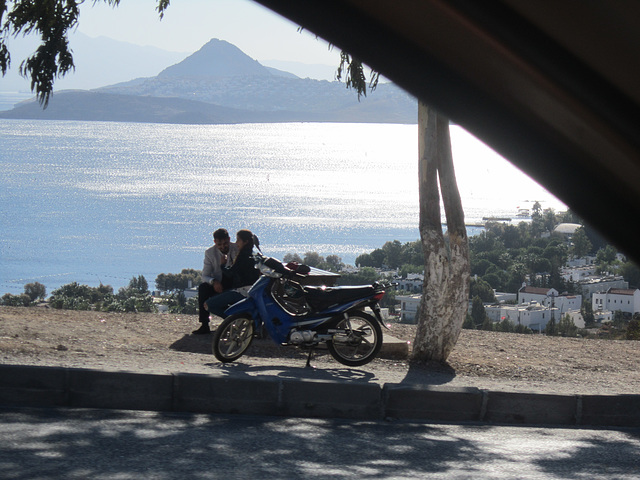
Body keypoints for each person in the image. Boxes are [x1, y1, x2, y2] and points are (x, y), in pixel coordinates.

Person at [204, 229, 261, 319]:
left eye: (238, 240)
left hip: (242, 291)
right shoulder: (255, 255)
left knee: (208, 305)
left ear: (245, 242)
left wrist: (222, 265)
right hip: (252, 290)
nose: (236, 242)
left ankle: (233, 320)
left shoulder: (242, 255)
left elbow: (231, 273)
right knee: (206, 289)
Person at [193, 228, 238, 334]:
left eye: (225, 243)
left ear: (229, 239)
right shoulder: (210, 253)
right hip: (218, 283)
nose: (223, 247)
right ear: (215, 242)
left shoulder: (236, 248)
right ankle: (204, 324)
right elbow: (205, 275)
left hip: (234, 283)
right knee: (203, 288)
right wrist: (214, 282)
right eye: (219, 244)